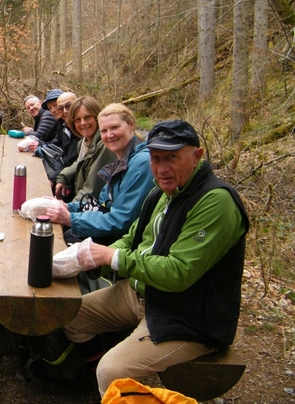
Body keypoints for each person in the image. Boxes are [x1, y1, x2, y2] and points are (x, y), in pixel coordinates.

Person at [62, 120, 249, 398]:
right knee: (69, 314)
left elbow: (178, 272)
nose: (162, 168)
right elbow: (135, 238)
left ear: (197, 156)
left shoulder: (215, 201)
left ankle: (113, 384)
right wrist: (88, 254)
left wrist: (113, 257)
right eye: (156, 158)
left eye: (172, 157)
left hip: (187, 315)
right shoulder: (163, 193)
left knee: (111, 370)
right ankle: (106, 389)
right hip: (141, 293)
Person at [48, 103, 154, 246]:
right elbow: (101, 204)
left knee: (58, 239)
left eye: (115, 127)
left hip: (125, 242)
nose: (109, 135)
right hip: (110, 231)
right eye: (104, 130)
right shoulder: (120, 160)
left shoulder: (141, 163)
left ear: (131, 125)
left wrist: (70, 219)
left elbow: (121, 220)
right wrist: (68, 207)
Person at [52, 97, 115, 204]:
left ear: (97, 117)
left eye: (87, 117)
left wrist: (67, 208)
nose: (83, 123)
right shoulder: (83, 142)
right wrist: (63, 177)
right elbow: (80, 162)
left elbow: (92, 189)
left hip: (93, 207)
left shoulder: (105, 145)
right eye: (77, 120)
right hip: (80, 199)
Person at [36, 91, 80, 184]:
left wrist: (54, 179)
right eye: (50, 108)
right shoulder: (63, 126)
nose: (53, 110)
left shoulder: (80, 129)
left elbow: (71, 160)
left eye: (55, 106)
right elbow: (55, 144)